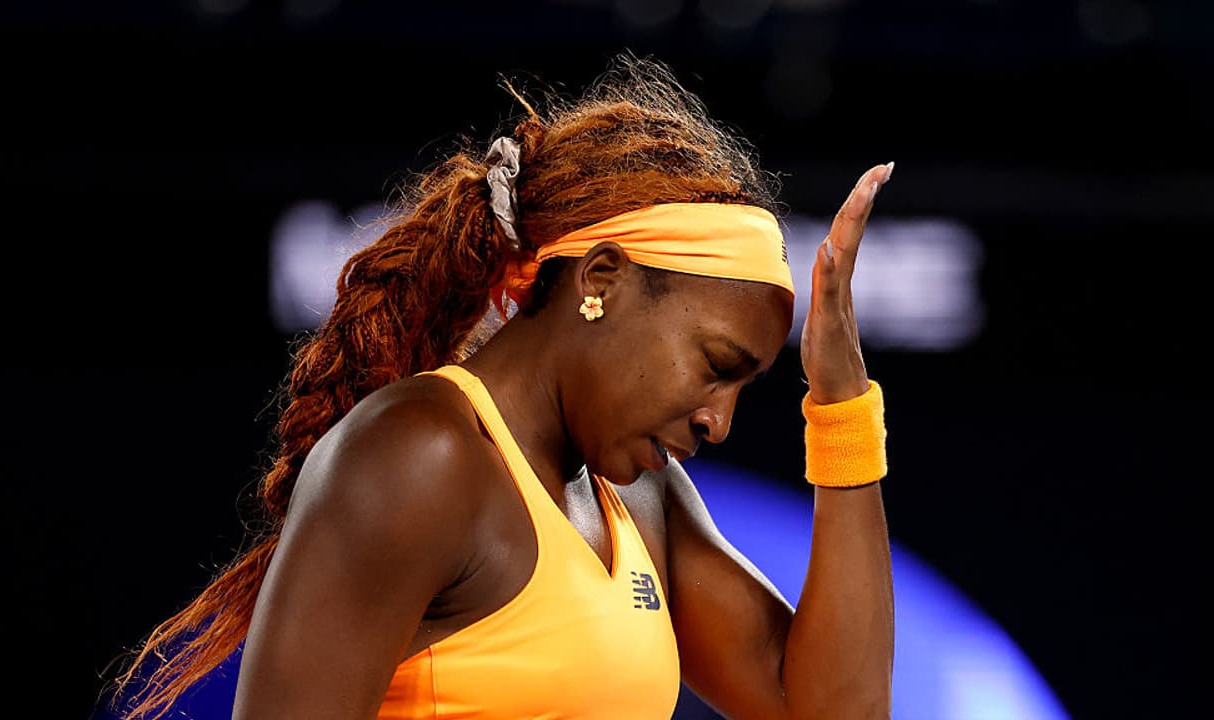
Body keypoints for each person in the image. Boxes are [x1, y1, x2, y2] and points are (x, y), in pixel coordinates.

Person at [105, 51, 896, 719]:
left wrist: (841, 406)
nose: (719, 420)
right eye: (717, 365)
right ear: (603, 281)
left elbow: (830, 707)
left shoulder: (646, 500)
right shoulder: (421, 456)